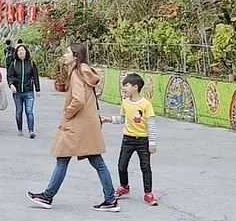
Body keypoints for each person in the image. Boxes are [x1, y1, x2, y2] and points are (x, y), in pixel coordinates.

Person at [26, 44, 119, 212]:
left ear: (76, 56)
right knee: (96, 161)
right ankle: (110, 199)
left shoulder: (77, 74)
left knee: (63, 158)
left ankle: (48, 196)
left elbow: (78, 100)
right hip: (88, 124)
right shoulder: (86, 72)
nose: (64, 54)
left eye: (67, 52)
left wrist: (67, 113)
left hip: (77, 125)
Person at [101, 72, 159, 206]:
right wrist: (108, 119)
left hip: (143, 140)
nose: (124, 89)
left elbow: (151, 124)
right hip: (128, 139)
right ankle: (124, 186)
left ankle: (148, 193)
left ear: (135, 87)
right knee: (122, 165)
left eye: (126, 86)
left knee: (145, 167)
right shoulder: (125, 103)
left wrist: (152, 143)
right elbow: (122, 119)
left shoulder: (146, 104)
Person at [7, 43, 41, 138]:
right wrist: (11, 85)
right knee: (19, 111)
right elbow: (10, 76)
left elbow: (35, 76)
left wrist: (37, 89)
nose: (21, 52)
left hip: (28, 91)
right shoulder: (13, 64)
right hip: (17, 92)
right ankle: (20, 129)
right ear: (16, 53)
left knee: (29, 111)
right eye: (19, 51)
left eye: (22, 50)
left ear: (26, 52)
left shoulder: (31, 63)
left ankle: (31, 131)